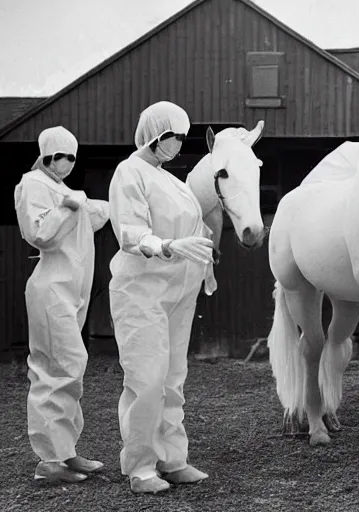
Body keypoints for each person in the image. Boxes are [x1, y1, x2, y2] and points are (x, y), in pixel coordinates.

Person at [108, 101, 214, 494]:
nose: (178, 143)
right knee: (147, 378)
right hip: (142, 291)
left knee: (172, 378)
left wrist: (204, 257)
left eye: (183, 136)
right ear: (154, 134)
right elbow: (130, 232)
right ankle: (140, 467)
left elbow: (196, 229)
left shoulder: (174, 181)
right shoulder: (129, 172)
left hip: (178, 292)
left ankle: (173, 458)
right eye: (173, 135)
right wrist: (167, 244)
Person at [14, 126, 110, 483]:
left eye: (72, 157)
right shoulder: (32, 184)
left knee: (70, 367)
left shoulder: (63, 189)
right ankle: (49, 461)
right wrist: (70, 209)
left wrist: (106, 205)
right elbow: (38, 231)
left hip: (72, 290)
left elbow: (93, 215)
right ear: (47, 155)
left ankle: (65, 452)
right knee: (55, 367)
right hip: (51, 288)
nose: (67, 163)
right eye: (60, 156)